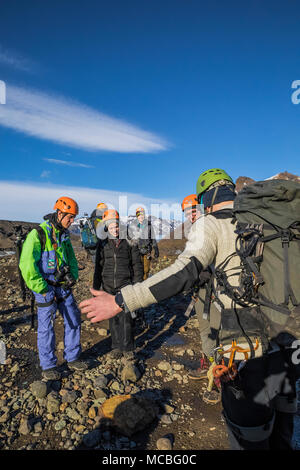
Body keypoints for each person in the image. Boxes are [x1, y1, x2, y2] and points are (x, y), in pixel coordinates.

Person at [79, 169, 300, 450]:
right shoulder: (267, 221)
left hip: (246, 341)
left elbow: (183, 272)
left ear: (206, 199)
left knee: (249, 434)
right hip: (289, 336)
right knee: (283, 425)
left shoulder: (212, 223)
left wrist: (121, 300)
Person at [19, 197, 87, 380]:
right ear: (59, 213)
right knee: (46, 326)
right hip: (45, 287)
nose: (72, 221)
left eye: (73, 218)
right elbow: (26, 265)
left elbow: (71, 258)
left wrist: (73, 276)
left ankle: (72, 357)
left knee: (73, 318)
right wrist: (41, 289)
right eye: (70, 217)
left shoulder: (63, 234)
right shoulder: (38, 233)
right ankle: (48, 366)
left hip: (63, 285)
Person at [181, 195, 221, 404]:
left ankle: (219, 374)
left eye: (193, 210)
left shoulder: (213, 227)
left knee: (217, 331)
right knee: (205, 328)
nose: (191, 214)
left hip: (217, 289)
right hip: (201, 289)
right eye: (187, 212)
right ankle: (207, 363)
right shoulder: (194, 232)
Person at [93, 209, 144, 361]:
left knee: (127, 318)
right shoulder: (102, 245)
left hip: (126, 285)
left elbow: (137, 265)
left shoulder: (129, 242)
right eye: (111, 226)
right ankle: (116, 346)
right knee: (113, 318)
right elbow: (98, 268)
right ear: (106, 228)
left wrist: (137, 285)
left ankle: (128, 348)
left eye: (116, 226)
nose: (115, 229)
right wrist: (95, 289)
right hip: (108, 286)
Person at [128, 207, 159, 280]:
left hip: (147, 251)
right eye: (139, 215)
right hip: (136, 251)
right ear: (137, 216)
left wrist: (156, 248)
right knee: (138, 269)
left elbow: (153, 238)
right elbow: (129, 238)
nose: (141, 216)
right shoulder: (133, 225)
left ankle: (144, 285)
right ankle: (137, 284)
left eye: (142, 214)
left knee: (146, 270)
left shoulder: (148, 225)